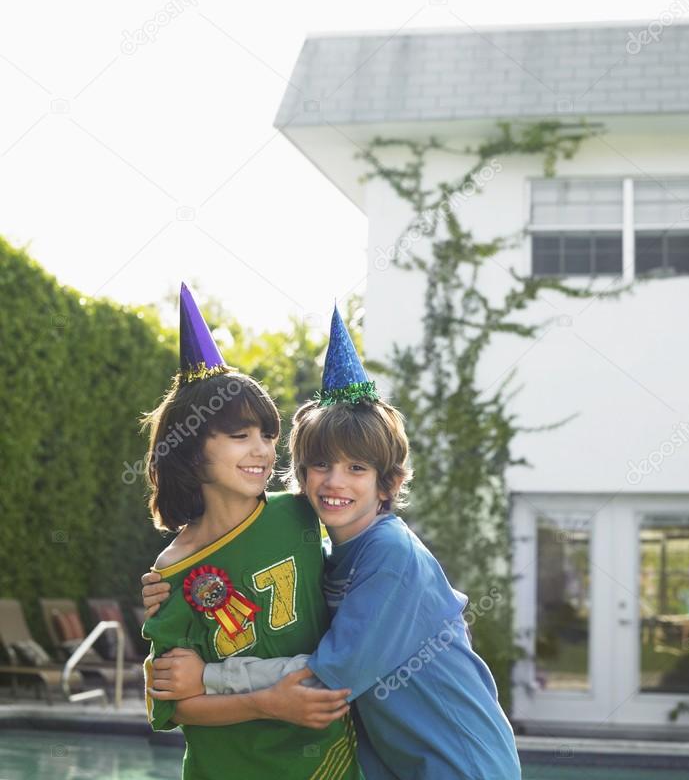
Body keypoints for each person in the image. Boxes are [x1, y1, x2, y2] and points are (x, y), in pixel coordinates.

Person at [143, 304, 522, 780]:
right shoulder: (325, 548)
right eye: (321, 464)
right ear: (300, 474)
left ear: (388, 483)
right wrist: (168, 584)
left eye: (357, 468)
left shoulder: (391, 556)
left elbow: (328, 681)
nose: (334, 482)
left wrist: (209, 678)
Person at [141, 283, 361, 780]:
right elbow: (177, 704)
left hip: (327, 760)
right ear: (191, 449)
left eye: (267, 434)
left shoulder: (302, 513)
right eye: (240, 436)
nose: (262, 450)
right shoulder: (171, 571)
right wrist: (269, 704)